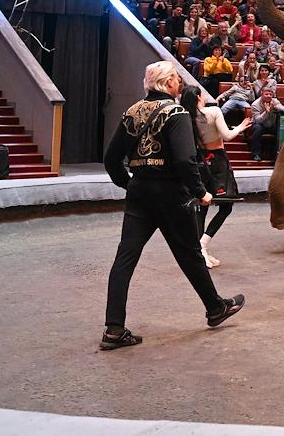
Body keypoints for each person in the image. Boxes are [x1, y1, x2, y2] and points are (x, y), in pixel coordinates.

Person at [100, 61, 245, 350]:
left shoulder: (131, 112)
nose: (180, 84)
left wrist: (129, 184)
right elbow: (184, 160)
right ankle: (215, 308)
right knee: (189, 252)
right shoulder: (176, 112)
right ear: (167, 84)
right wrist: (201, 191)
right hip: (169, 192)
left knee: (125, 258)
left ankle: (114, 328)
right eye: (177, 80)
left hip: (140, 191)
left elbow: (110, 159)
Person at [180, 85, 250, 268]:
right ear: (197, 97)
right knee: (226, 206)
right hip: (218, 161)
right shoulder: (213, 111)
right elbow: (227, 136)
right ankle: (202, 244)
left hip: (202, 162)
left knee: (203, 205)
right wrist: (241, 127)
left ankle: (200, 250)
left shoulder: (186, 117)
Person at [249, 88, 284, 162]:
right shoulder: (255, 104)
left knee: (280, 128)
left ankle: (276, 155)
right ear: (261, 95)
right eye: (266, 94)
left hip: (271, 124)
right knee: (257, 128)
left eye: (270, 94)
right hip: (260, 124)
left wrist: (275, 107)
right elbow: (257, 120)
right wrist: (266, 112)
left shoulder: (275, 101)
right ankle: (256, 154)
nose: (269, 96)